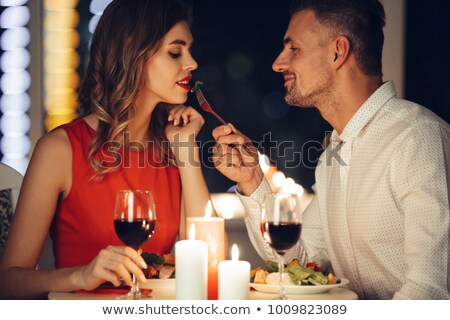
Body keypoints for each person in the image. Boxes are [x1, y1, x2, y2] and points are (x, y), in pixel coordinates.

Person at [212, 0, 450, 299]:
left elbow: (429, 292)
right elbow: (297, 261)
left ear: (338, 52)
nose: (278, 63)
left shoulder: (418, 138)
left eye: (293, 48)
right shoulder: (331, 159)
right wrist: (251, 180)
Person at [0, 0, 211, 299]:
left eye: (189, 50)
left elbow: (206, 261)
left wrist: (185, 149)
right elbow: (7, 282)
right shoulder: (60, 149)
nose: (191, 63)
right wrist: (82, 276)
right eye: (175, 52)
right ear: (133, 56)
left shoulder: (173, 146)